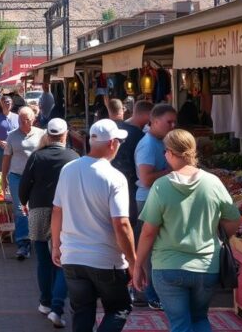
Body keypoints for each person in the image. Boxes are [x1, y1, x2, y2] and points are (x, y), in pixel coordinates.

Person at [132, 129, 242, 332]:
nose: (164, 155)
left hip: (168, 266)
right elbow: (234, 221)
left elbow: (148, 232)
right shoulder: (213, 182)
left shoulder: (161, 186)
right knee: (200, 318)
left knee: (180, 323)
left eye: (166, 151)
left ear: (172, 153)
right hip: (207, 265)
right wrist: (213, 232)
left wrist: (138, 266)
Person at [52, 119, 135, 332]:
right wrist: (133, 261)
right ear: (112, 143)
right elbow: (121, 223)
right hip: (106, 259)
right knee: (119, 308)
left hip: (73, 255)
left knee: (82, 311)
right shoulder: (115, 177)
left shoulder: (68, 169)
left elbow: (57, 210)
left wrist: (56, 246)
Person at [19, 118, 80, 328]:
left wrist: (24, 202)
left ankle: (45, 302)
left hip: (38, 208)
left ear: (48, 134)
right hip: (64, 213)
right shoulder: (73, 156)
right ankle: (56, 304)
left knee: (43, 259)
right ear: (65, 134)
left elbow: (24, 183)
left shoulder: (37, 156)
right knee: (61, 257)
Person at [133, 103, 177, 311]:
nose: (173, 125)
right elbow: (145, 178)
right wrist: (172, 170)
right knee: (148, 249)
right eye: (169, 122)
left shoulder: (159, 142)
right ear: (155, 121)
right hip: (147, 201)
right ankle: (149, 294)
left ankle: (152, 292)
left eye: (174, 122)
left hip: (155, 200)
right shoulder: (148, 145)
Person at [2, 106, 46, 261]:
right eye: (20, 119)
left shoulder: (42, 135)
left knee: (36, 208)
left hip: (36, 178)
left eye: (26, 119)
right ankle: (23, 243)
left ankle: (38, 239)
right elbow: (6, 158)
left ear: (33, 119)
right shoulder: (12, 136)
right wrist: (3, 179)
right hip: (17, 177)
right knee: (20, 210)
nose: (22, 122)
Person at [113, 100, 153, 223]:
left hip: (117, 180)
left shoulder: (120, 128)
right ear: (147, 116)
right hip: (130, 184)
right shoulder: (140, 137)